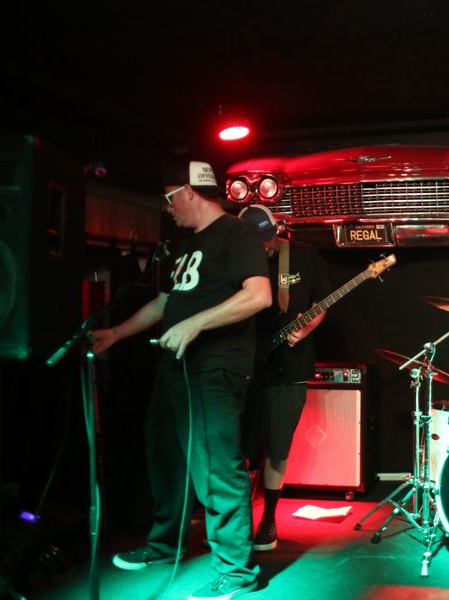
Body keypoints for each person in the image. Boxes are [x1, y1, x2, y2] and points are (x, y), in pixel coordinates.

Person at [91, 160, 271, 600]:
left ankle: (236, 571)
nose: (167, 208)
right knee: (166, 459)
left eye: (169, 198)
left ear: (189, 192)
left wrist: (197, 323)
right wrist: (114, 334)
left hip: (214, 368)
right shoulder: (185, 246)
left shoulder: (238, 234)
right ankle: (164, 545)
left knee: (216, 466)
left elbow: (258, 296)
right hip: (175, 368)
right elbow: (164, 303)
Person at [237, 204, 332, 551]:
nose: (267, 244)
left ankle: (269, 519)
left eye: (269, 236)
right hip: (244, 363)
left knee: (278, 447)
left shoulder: (303, 255)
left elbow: (322, 302)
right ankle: (238, 520)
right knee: (240, 447)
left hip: (290, 366)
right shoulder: (235, 258)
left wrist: (305, 330)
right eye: (259, 240)